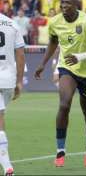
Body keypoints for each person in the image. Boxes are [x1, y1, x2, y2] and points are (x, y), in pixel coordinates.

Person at [34, 0, 86, 168]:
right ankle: (60, 150)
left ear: (76, 5)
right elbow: (53, 42)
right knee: (64, 104)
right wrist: (43, 63)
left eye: (68, 3)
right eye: (62, 2)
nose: (63, 6)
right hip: (67, 68)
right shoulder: (56, 22)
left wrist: (81, 56)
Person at [0, 13, 25, 176]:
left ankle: (7, 165)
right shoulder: (12, 24)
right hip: (8, 79)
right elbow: (21, 55)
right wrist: (19, 81)